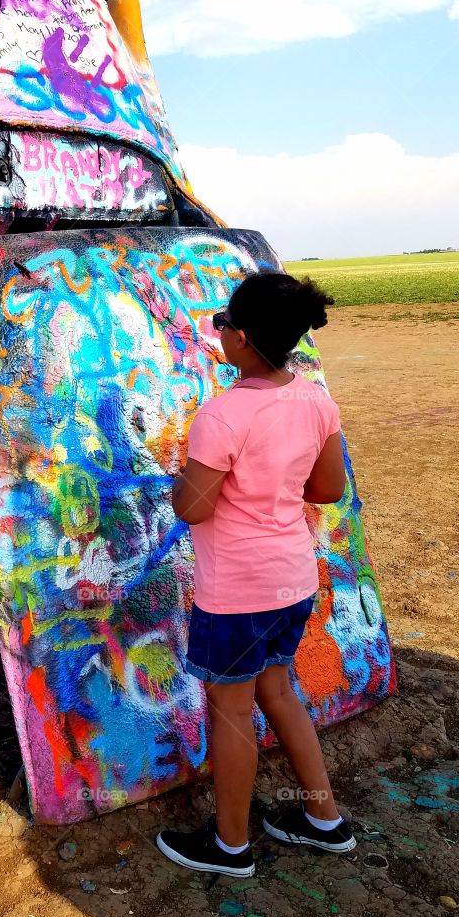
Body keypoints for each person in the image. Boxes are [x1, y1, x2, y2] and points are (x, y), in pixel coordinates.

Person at [156, 272, 355, 877]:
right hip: (292, 582)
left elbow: (194, 508)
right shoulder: (316, 400)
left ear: (239, 338)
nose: (216, 332)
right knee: (277, 691)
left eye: (220, 324)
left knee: (231, 711)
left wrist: (176, 481)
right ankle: (325, 820)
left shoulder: (222, 415)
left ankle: (230, 845)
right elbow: (327, 489)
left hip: (236, 593)